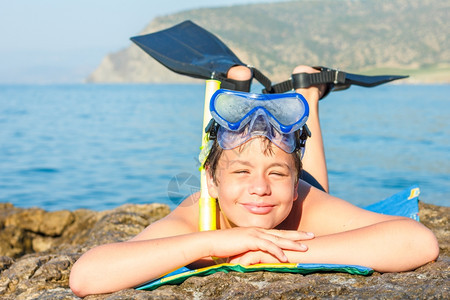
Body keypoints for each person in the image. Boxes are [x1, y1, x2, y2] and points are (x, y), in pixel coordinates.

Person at [69, 65, 439, 297]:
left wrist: (274, 252)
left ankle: (307, 94)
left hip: (300, 190)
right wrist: (216, 242)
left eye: (275, 175)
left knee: (318, 189)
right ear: (211, 182)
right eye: (241, 172)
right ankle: (262, 92)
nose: (259, 187)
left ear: (293, 187)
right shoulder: (200, 214)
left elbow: (416, 241)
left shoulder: (303, 197)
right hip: (238, 209)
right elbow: (86, 277)